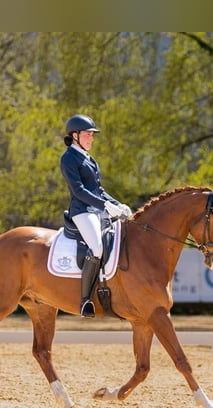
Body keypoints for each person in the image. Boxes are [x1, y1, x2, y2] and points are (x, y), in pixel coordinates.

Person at [60, 113, 132, 317]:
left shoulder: (90, 159)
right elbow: (79, 191)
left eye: (93, 135)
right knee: (97, 247)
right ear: (75, 135)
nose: (92, 138)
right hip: (82, 211)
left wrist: (118, 205)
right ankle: (85, 301)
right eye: (88, 134)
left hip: (97, 210)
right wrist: (106, 206)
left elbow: (98, 190)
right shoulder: (68, 158)